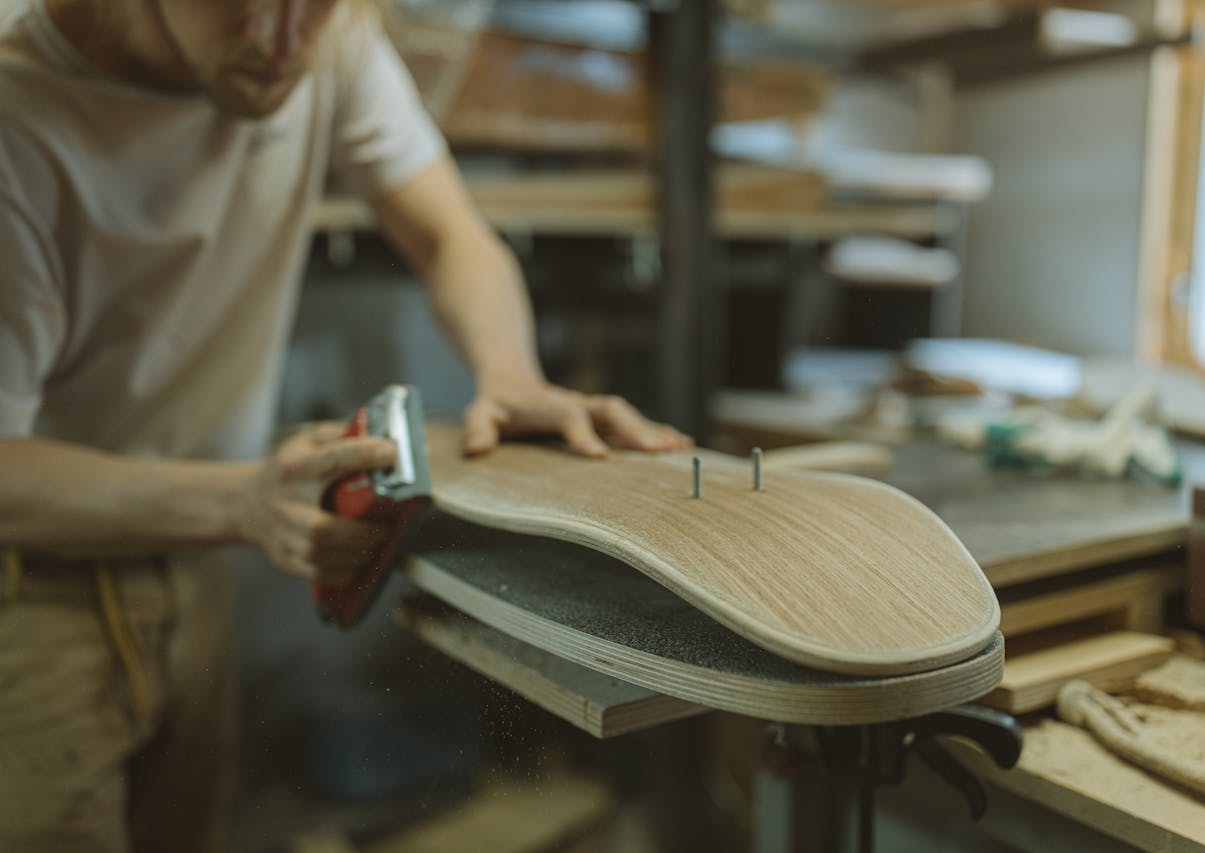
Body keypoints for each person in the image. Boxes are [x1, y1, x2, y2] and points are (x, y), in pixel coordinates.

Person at [0, 0, 691, 849]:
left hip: (201, 558)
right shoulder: (18, 118)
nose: (280, 42)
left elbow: (449, 236)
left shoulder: (332, 47)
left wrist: (510, 374)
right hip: (30, 589)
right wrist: (241, 505)